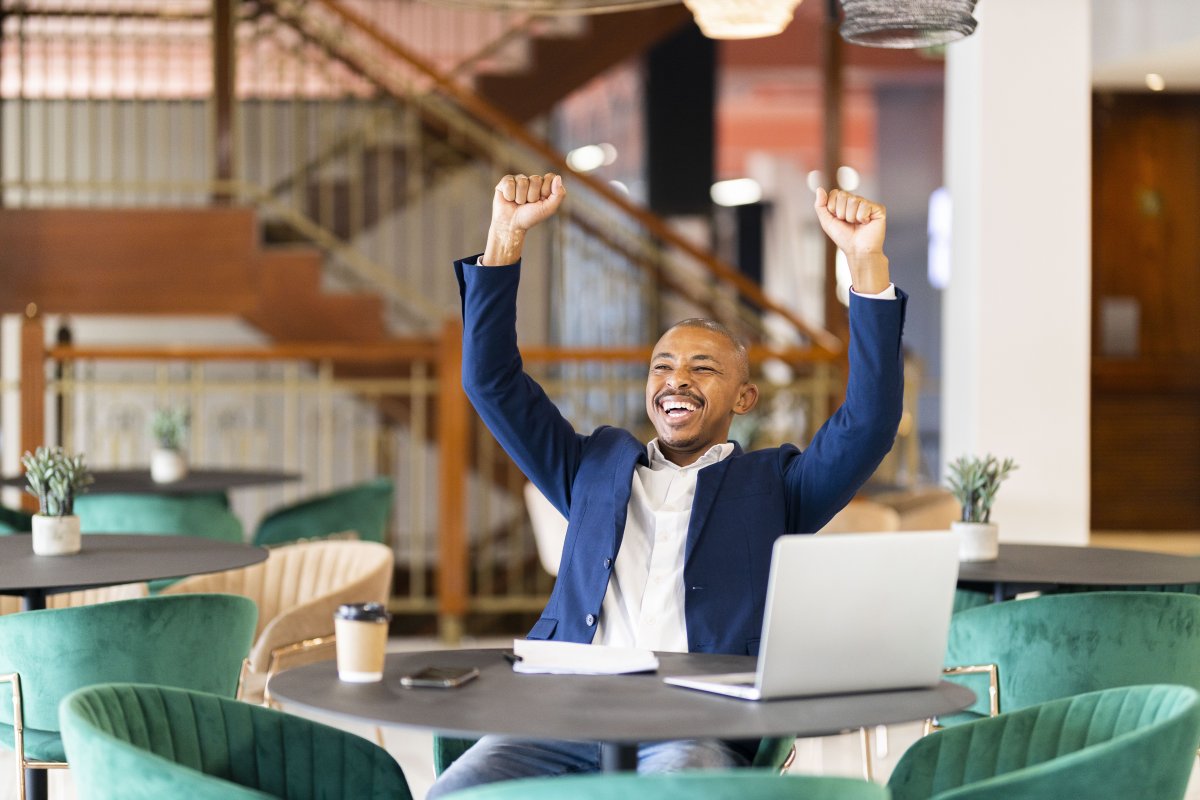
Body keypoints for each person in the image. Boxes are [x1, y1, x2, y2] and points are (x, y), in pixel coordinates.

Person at [429, 173, 906, 797]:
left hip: (692, 723)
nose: (677, 380)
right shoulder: (591, 468)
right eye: (663, 367)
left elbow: (868, 420)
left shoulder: (776, 487)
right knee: (454, 792)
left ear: (744, 397)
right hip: (562, 712)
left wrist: (864, 264)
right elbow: (490, 382)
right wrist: (504, 238)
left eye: (703, 368)